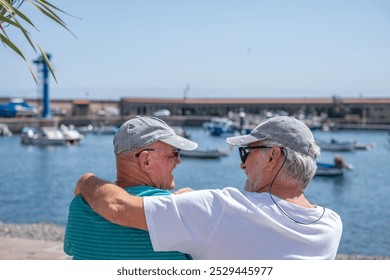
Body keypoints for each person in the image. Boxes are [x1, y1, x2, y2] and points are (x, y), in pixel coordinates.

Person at [75, 116, 343, 260]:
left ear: (273, 156)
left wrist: (86, 180)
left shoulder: (219, 210)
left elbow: (117, 207)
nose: (242, 165)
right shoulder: (331, 226)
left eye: (246, 153)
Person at [64, 116, 198, 259]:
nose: (178, 161)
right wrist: (193, 205)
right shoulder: (175, 209)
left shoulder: (80, 205)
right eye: (173, 153)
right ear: (146, 161)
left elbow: (69, 249)